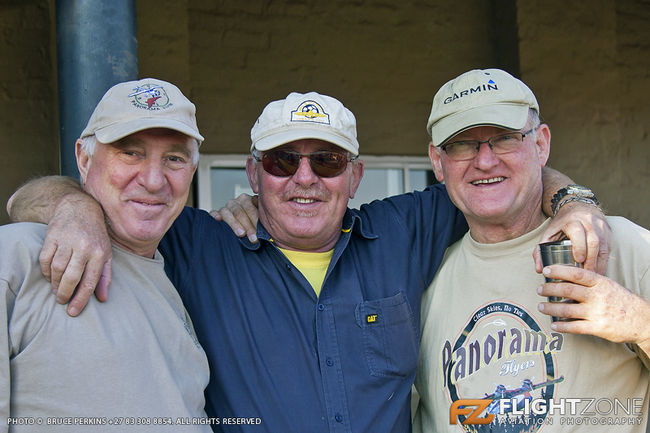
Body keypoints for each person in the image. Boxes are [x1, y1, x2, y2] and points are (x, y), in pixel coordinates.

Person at [7, 91, 609, 433]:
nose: (303, 179)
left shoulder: (404, 231)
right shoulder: (199, 245)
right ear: (252, 174)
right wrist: (73, 208)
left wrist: (573, 202)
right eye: (280, 162)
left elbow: (499, 175)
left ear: (354, 175)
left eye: (325, 161)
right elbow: (47, 198)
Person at [412, 68, 650, 433]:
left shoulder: (618, 246)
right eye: (462, 143)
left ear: (541, 144)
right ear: (436, 162)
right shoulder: (425, 284)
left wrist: (639, 323)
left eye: (505, 138)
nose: (485, 160)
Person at [0, 78, 212, 432]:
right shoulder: (19, 255)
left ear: (191, 171)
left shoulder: (180, 273)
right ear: (83, 158)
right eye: (131, 153)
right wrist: (72, 203)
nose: (154, 180)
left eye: (174, 158)